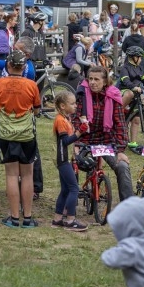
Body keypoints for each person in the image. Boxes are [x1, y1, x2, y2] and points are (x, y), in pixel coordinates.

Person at [0, 50, 41, 229]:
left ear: (8, 65)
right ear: (24, 66)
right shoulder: (31, 85)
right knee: (27, 175)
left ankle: (13, 217)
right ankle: (27, 217)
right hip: (26, 133)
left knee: (11, 175)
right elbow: (36, 109)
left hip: (6, 133)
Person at [72, 66, 133, 201]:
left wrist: (121, 150)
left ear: (105, 82)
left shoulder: (113, 96)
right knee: (72, 165)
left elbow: (120, 124)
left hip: (106, 141)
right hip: (84, 140)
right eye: (90, 79)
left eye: (96, 79)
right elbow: (75, 119)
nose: (92, 82)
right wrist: (76, 142)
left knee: (122, 166)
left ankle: (129, 206)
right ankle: (70, 203)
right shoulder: (82, 94)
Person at [51, 91, 89, 231]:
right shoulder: (60, 120)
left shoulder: (65, 118)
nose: (75, 106)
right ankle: (70, 220)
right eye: (72, 104)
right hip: (63, 159)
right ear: (62, 106)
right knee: (74, 188)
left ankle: (57, 219)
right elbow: (65, 141)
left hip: (65, 158)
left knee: (66, 189)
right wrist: (80, 132)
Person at [116, 45, 144, 148]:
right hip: (124, 91)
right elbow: (125, 81)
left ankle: (133, 142)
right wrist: (133, 87)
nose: (141, 59)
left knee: (136, 119)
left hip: (136, 93)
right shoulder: (125, 68)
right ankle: (116, 111)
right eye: (140, 57)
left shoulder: (140, 68)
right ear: (133, 57)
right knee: (129, 93)